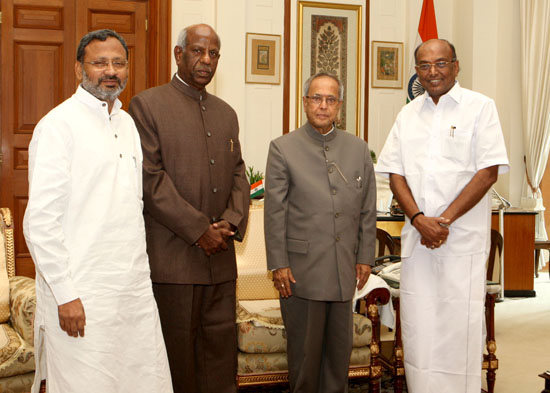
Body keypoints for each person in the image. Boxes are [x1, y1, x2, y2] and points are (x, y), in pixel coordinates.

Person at [23, 29, 172, 393]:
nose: (111, 71)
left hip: (131, 293)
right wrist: (65, 293)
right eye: (99, 63)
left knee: (142, 382)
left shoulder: (127, 124)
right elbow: (40, 223)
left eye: (119, 63)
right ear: (79, 70)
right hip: (82, 295)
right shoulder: (58, 126)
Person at [376, 39, 510, 393]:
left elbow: (488, 172)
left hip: (460, 243)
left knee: (458, 329)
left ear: (456, 65)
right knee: (419, 329)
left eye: (440, 63)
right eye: (424, 65)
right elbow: (394, 172)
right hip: (418, 242)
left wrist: (444, 220)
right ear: (416, 70)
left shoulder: (480, 108)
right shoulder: (408, 114)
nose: (432, 72)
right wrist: (419, 219)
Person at [128, 24, 249, 393]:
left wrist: (229, 221)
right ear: (179, 55)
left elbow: (240, 173)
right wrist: (200, 230)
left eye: (213, 54)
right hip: (174, 262)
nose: (206, 60)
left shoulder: (226, 113)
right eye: (197, 51)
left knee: (219, 361)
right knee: (177, 364)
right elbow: (151, 180)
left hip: (220, 263)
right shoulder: (147, 105)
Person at [264, 72, 377, 393]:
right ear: (304, 102)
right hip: (301, 274)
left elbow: (367, 208)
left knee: (337, 365)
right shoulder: (284, 148)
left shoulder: (357, 149)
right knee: (305, 365)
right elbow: (275, 212)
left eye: (330, 99)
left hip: (344, 272)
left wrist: (365, 257)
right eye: (316, 98)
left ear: (339, 105)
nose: (323, 106)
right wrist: (279, 264)